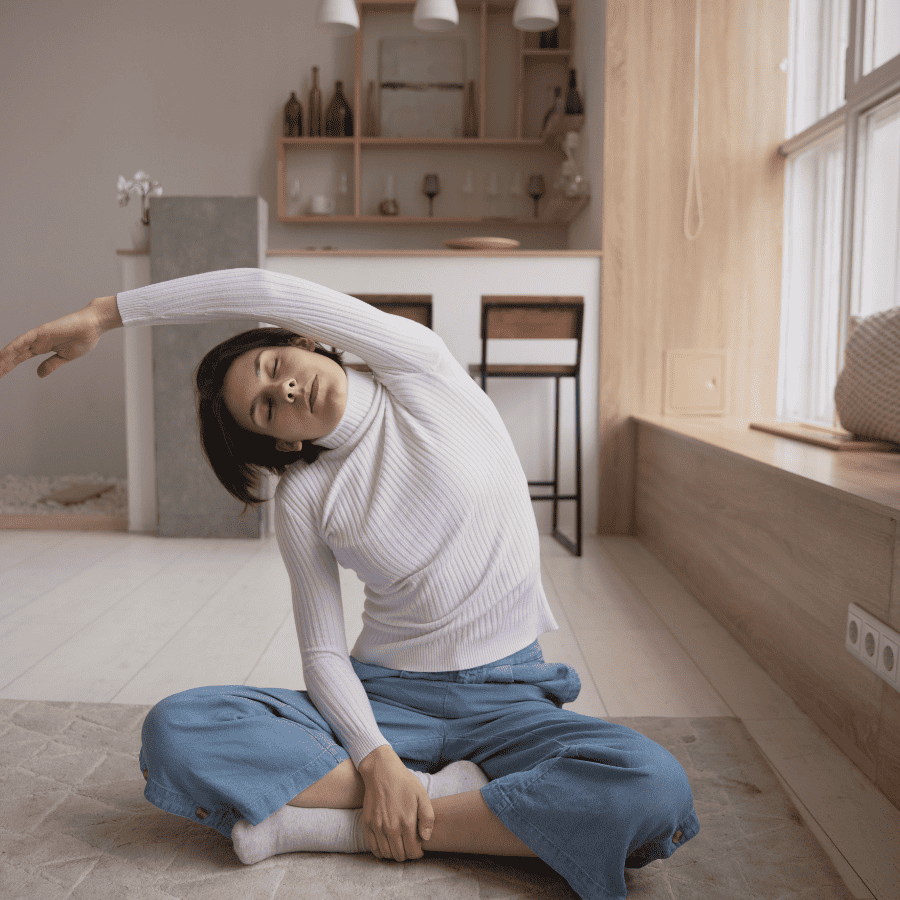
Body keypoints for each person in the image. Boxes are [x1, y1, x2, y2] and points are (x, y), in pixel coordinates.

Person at [0, 268, 699, 899]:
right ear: (279, 442)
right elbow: (324, 655)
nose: (286, 388)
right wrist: (375, 756)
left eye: (276, 366)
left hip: (508, 698)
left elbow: (262, 289)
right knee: (178, 730)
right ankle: (450, 805)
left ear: (309, 343)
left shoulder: (419, 372)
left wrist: (106, 311)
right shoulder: (303, 495)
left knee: (654, 787)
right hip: (385, 699)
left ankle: (347, 826)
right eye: (266, 408)